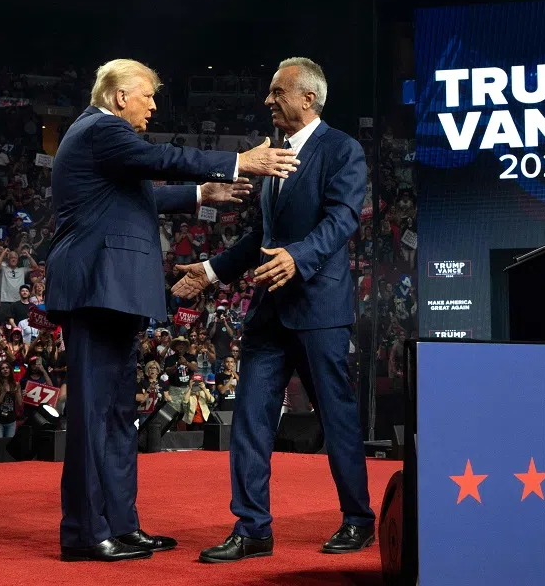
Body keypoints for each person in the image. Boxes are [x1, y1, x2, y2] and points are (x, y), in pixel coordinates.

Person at [45, 58, 299, 562]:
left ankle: (120, 524)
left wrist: (203, 193)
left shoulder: (107, 145)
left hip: (115, 291)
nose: (154, 105)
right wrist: (237, 162)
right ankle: (82, 532)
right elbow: (161, 158)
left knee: (119, 416)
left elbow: (139, 197)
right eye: (148, 96)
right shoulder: (100, 131)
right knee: (94, 417)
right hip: (96, 288)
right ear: (120, 97)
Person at [174, 57, 375, 562]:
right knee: (250, 419)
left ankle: (358, 520)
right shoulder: (275, 155)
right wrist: (212, 270)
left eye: (276, 91)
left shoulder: (342, 150)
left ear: (307, 98)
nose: (267, 100)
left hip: (319, 309)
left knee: (337, 418)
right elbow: (260, 238)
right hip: (268, 311)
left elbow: (342, 219)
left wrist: (299, 257)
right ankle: (253, 528)